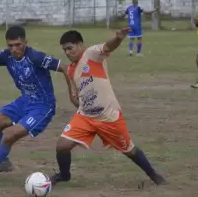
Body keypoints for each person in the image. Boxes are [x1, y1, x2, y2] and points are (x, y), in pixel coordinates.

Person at [49, 28, 166, 187]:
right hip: (85, 117)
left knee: (129, 150)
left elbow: (108, 47)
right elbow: (76, 96)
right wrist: (78, 100)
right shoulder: (71, 70)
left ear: (80, 44)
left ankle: (153, 175)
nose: (68, 52)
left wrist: (117, 38)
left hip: (108, 117)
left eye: (70, 48)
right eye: (64, 50)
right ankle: (64, 175)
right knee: (62, 146)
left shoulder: (91, 54)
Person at [0, 25, 69, 187]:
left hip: (42, 106)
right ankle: (4, 163)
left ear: (25, 42)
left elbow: (65, 67)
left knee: (9, 135)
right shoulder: (6, 56)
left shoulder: (36, 57)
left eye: (18, 45)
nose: (14, 49)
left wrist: (73, 92)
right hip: (24, 101)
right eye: (10, 46)